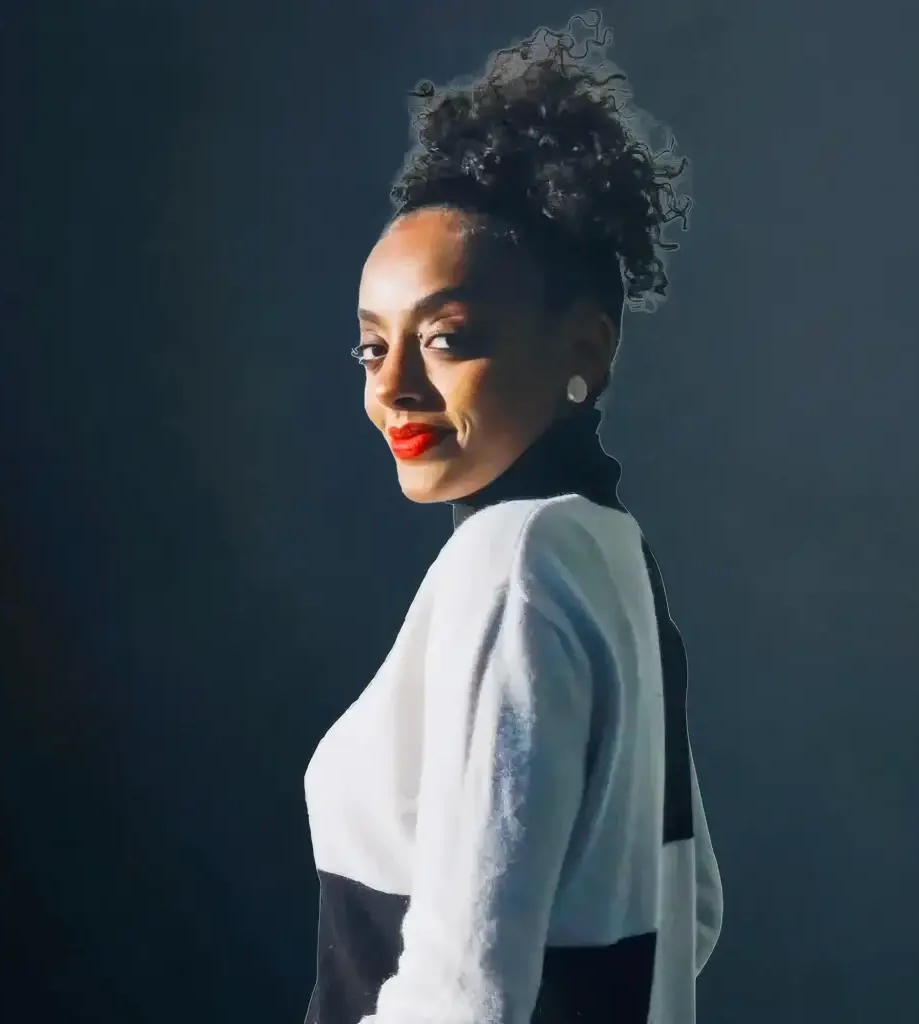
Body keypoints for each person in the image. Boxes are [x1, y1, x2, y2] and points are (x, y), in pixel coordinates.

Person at [304, 13, 722, 1024]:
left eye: (446, 338)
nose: (392, 389)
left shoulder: (513, 562)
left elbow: (464, 996)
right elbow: (693, 909)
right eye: (373, 347)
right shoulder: (607, 548)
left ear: (585, 346)